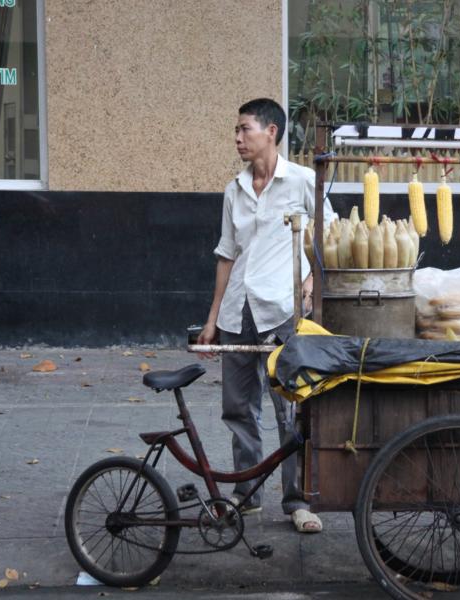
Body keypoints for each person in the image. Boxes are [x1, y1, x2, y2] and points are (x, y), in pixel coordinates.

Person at [197, 98, 334, 533]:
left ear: (271, 131)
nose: (237, 138)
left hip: (283, 311)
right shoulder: (233, 189)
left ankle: (297, 499)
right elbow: (226, 255)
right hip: (239, 311)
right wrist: (212, 318)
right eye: (235, 131)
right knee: (238, 407)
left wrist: (310, 289)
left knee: (290, 410)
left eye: (245, 129)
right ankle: (247, 492)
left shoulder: (303, 182)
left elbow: (326, 241)